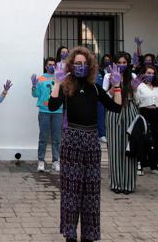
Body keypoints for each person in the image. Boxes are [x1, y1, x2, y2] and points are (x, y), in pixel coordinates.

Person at [48, 46, 122, 242]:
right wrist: (57, 81)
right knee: (71, 190)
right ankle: (70, 235)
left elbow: (116, 107)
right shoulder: (66, 87)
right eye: (77, 63)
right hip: (71, 140)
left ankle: (89, 235)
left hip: (91, 141)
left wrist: (117, 86)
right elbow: (52, 105)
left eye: (84, 64)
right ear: (71, 65)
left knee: (91, 192)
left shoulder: (96, 88)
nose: (81, 67)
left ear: (90, 66)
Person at [102, 52, 138, 195]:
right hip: (113, 110)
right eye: (119, 62)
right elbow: (104, 96)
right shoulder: (107, 76)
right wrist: (114, 85)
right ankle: (116, 183)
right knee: (115, 147)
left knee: (130, 147)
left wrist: (134, 89)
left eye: (125, 62)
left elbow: (138, 98)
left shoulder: (133, 76)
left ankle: (128, 184)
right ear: (114, 64)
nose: (122, 65)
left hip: (130, 109)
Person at [133, 65, 158, 176]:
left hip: (156, 113)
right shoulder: (140, 86)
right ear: (143, 74)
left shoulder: (157, 87)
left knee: (156, 139)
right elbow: (136, 101)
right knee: (143, 139)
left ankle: (155, 165)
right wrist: (134, 89)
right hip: (144, 113)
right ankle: (140, 164)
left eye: (152, 73)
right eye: (148, 73)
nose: (150, 75)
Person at [31, 57, 62, 172]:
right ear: (46, 66)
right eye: (49, 64)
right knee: (43, 137)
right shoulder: (41, 79)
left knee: (56, 138)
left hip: (58, 111)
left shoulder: (60, 78)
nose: (52, 66)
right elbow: (35, 94)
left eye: (53, 64)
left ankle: (55, 161)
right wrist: (34, 86)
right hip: (44, 111)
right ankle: (41, 161)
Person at [96, 54, 112, 143]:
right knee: (99, 115)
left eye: (108, 60)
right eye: (105, 60)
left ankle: (104, 134)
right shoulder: (99, 71)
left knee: (105, 116)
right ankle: (100, 134)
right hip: (99, 96)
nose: (107, 61)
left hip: (110, 96)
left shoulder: (112, 70)